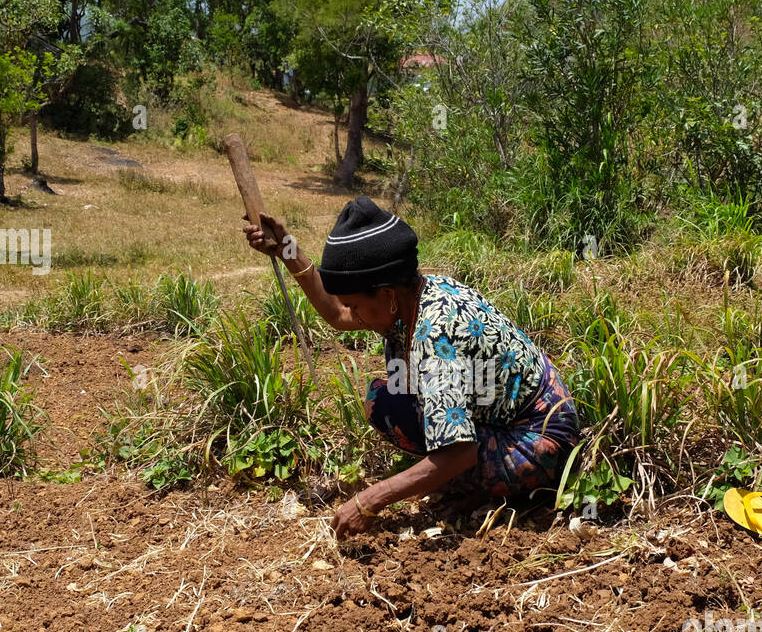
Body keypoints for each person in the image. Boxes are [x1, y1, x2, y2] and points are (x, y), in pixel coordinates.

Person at [243, 196, 579, 539]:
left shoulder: (435, 339)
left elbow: (460, 453)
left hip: (537, 438)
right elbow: (335, 314)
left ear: (386, 294)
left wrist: (370, 500)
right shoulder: (414, 293)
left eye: (356, 305)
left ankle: (490, 492)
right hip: (505, 406)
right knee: (385, 400)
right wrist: (286, 249)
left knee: (435, 439)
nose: (351, 314)